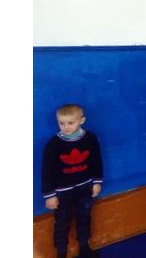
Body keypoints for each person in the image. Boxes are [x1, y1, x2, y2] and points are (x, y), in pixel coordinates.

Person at [42, 104, 103, 258]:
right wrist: (49, 195)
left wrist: (97, 182)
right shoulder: (54, 144)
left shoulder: (90, 138)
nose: (66, 127)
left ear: (82, 120)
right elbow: (47, 170)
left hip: (85, 187)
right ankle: (61, 253)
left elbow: (96, 161)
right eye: (61, 123)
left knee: (84, 218)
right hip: (62, 192)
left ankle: (84, 248)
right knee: (62, 223)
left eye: (71, 123)